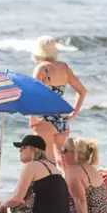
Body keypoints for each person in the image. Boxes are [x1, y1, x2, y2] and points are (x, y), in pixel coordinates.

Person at [0, 134, 71, 213]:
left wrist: (3, 205)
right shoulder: (53, 167)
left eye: (24, 147)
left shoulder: (31, 166)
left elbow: (17, 199)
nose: (20, 150)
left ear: (36, 150)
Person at [29, 36, 86, 166]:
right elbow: (82, 91)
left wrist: (32, 119)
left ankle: (51, 185)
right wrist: (74, 113)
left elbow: (33, 95)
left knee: (45, 161)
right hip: (61, 119)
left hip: (44, 119)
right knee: (61, 161)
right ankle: (66, 184)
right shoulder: (64, 68)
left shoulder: (42, 69)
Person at [61, 138, 107, 213]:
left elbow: (81, 201)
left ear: (74, 153)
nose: (62, 153)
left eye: (64, 150)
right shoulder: (90, 167)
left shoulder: (73, 172)